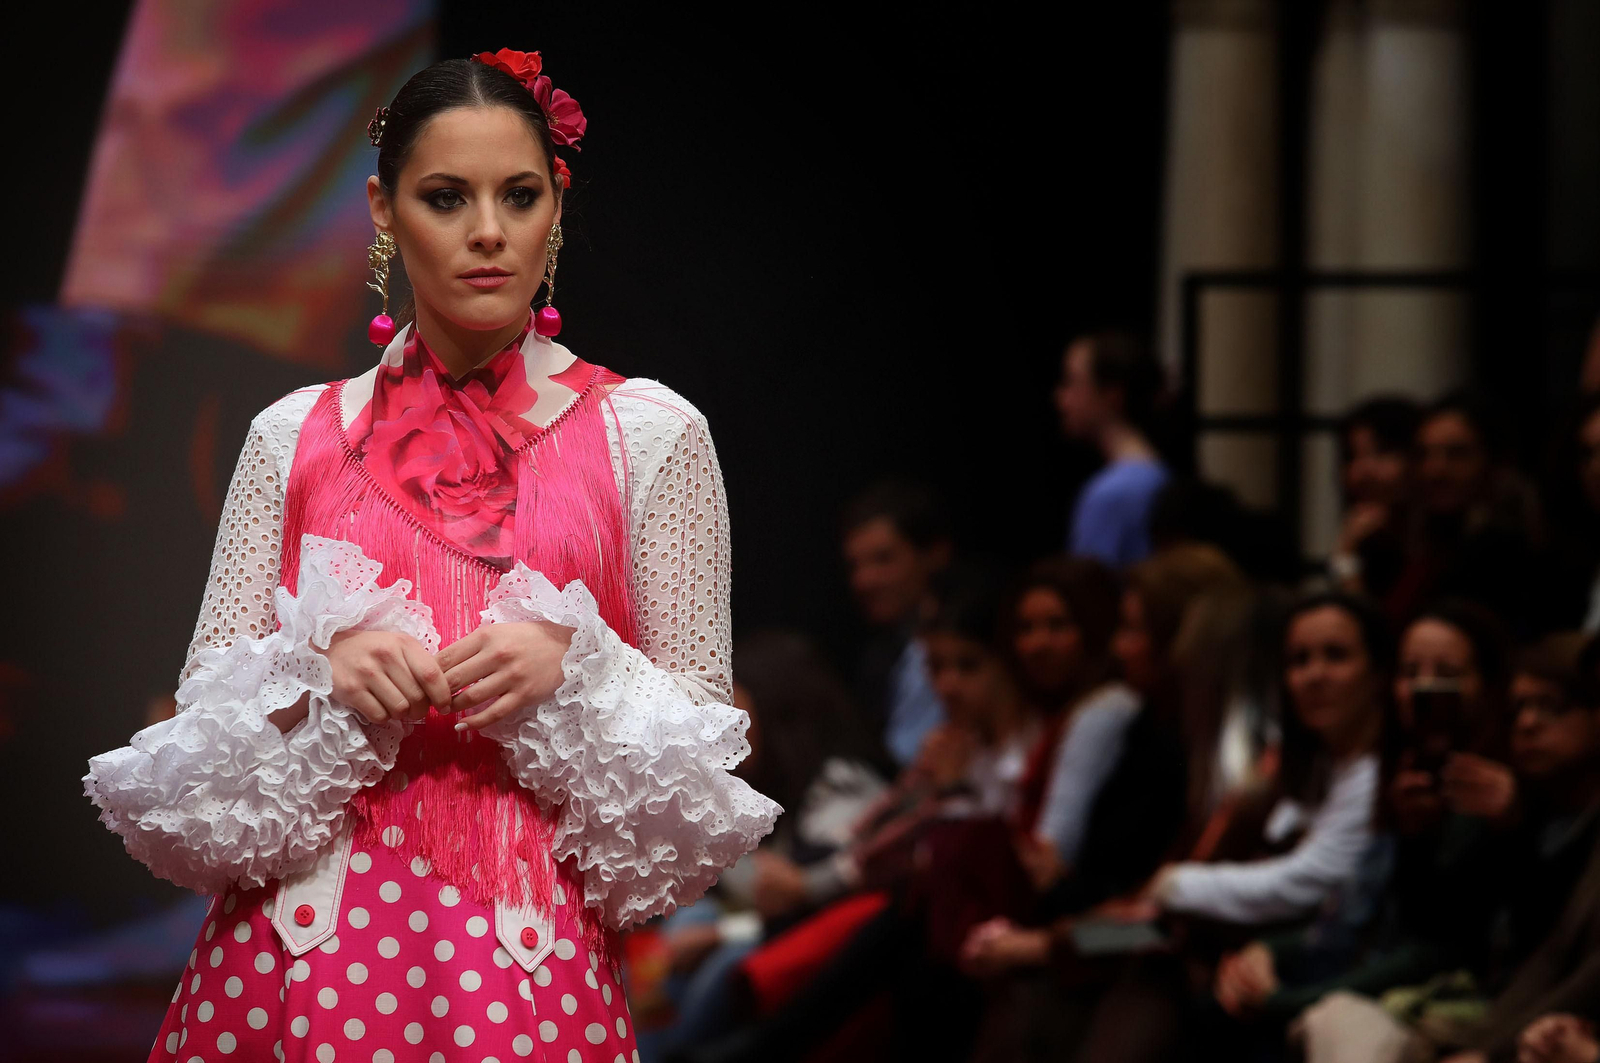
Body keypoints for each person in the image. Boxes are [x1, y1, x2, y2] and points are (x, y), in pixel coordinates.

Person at [82, 48, 780, 1062]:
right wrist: (316, 675)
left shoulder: (653, 433)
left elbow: (706, 763)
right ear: (382, 208)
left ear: (557, 205)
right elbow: (195, 748)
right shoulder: (292, 435)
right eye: (445, 197)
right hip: (294, 961)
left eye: (519, 194)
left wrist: (574, 668)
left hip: (527, 964)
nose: (488, 232)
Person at [840, 480, 954, 769]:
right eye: (855, 565)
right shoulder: (878, 656)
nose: (864, 581)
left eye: (883, 559)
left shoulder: (972, 636)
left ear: (935, 554)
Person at [1054, 330, 1169, 569]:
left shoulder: (1112, 494)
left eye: (1072, 382)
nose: (1061, 397)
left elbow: (1089, 595)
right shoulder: (1160, 475)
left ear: (1112, 395)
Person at [1328, 396, 1422, 604]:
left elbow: (1368, 627)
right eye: (1351, 456)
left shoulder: (1434, 549)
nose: (1360, 472)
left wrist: (1345, 558)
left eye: (1381, 452)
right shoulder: (1373, 540)